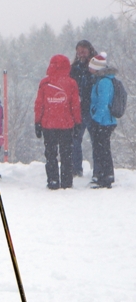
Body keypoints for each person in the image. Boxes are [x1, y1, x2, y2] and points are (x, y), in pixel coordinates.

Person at [34, 54, 81, 190]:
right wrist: (77, 122)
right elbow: (75, 105)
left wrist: (37, 122)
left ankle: (53, 180)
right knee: (66, 154)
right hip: (66, 125)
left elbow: (39, 105)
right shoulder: (71, 83)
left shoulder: (44, 83)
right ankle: (67, 181)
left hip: (48, 125)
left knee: (50, 154)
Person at [88, 52, 118, 188]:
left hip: (104, 122)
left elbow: (103, 103)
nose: (89, 69)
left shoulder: (104, 82)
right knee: (102, 148)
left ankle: (105, 177)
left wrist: (96, 119)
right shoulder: (102, 80)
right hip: (105, 121)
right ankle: (105, 175)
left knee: (102, 149)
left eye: (91, 66)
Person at [70, 40, 98, 177]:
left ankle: (98, 170)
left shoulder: (95, 67)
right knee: (75, 140)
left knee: (96, 141)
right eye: (79, 51)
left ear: (89, 51)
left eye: (84, 51)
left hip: (93, 109)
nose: (81, 54)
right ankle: (76, 169)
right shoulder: (74, 68)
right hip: (78, 110)